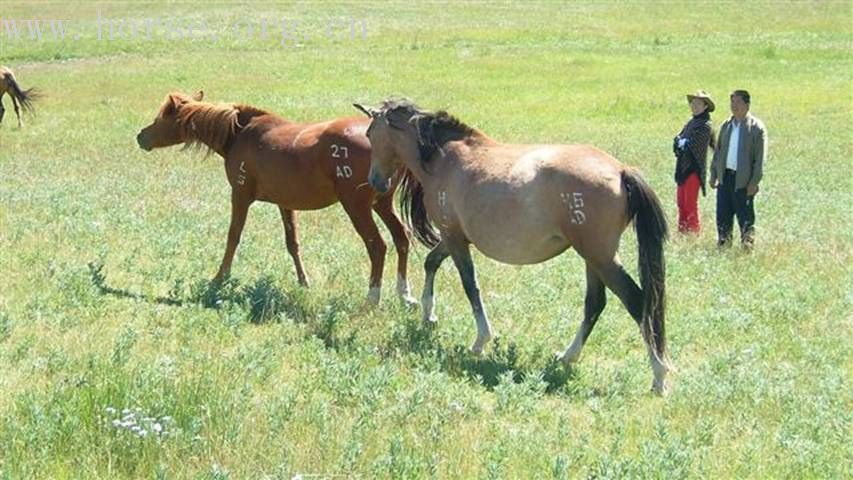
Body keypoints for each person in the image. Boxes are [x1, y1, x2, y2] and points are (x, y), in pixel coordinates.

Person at [710, 90, 767, 248]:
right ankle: (723, 247)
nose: (734, 106)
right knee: (723, 216)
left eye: (738, 102)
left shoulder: (756, 128)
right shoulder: (726, 126)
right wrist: (714, 174)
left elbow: (759, 159)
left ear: (747, 105)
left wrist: (754, 182)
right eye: (732, 102)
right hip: (725, 177)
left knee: (745, 218)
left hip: (743, 180)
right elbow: (718, 153)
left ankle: (747, 249)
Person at [673, 90, 715, 234]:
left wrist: (683, 143)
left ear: (705, 106)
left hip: (694, 169)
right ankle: (682, 232)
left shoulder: (706, 125)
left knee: (690, 204)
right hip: (682, 168)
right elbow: (678, 138)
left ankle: (693, 233)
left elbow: (696, 146)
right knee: (681, 203)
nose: (694, 106)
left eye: (698, 103)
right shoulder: (691, 122)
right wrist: (680, 142)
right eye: (693, 103)